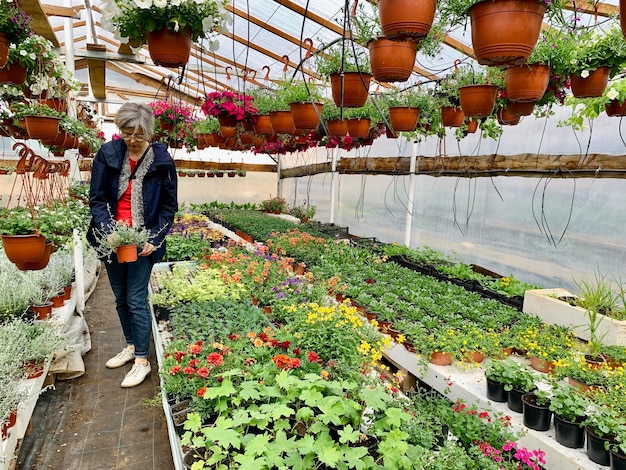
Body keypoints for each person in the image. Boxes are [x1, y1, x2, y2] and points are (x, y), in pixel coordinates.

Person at [88, 102, 178, 388]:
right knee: (121, 297)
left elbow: (167, 207)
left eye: (138, 134)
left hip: (142, 242)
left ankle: (142, 360)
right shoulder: (108, 154)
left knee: (137, 298)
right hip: (111, 240)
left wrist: (154, 238)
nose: (132, 140)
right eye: (127, 133)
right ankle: (130, 344)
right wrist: (108, 231)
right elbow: (98, 199)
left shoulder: (162, 161)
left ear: (148, 132)